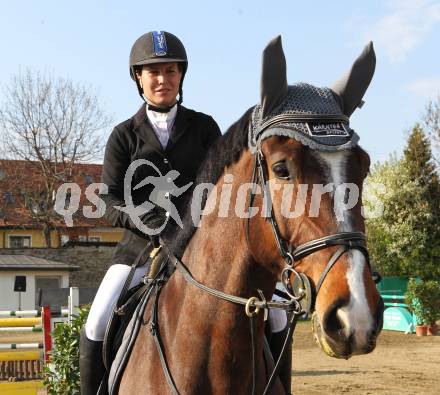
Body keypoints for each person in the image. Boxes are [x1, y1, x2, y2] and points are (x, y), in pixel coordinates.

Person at [79, 31, 221, 394]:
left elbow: (224, 188)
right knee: (96, 323)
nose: (162, 79)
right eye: (153, 71)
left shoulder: (204, 128)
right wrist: (146, 219)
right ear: (138, 78)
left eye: (170, 70)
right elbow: (109, 200)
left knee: (278, 313)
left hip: (200, 247)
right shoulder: (123, 136)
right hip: (139, 249)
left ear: (181, 76)